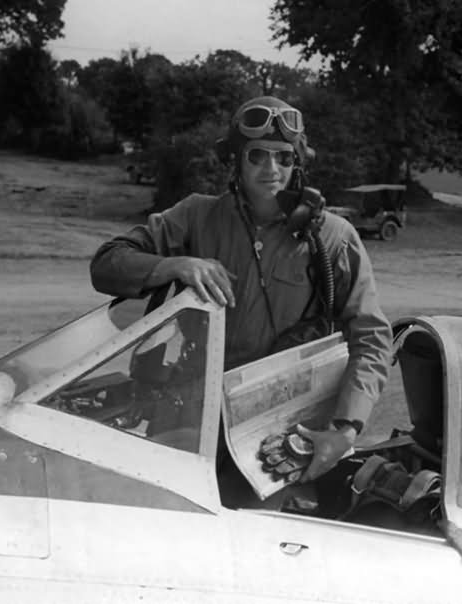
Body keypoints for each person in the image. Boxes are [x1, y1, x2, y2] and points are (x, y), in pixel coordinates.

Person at [89, 95, 392, 485]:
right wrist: (174, 265)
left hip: (280, 432)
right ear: (236, 159)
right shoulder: (196, 216)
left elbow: (371, 337)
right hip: (193, 417)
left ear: (297, 162)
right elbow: (107, 263)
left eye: (284, 158)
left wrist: (345, 430)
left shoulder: (334, 238)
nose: (271, 169)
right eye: (257, 156)